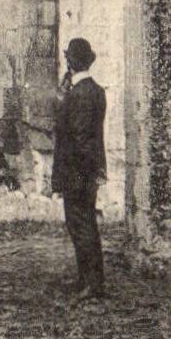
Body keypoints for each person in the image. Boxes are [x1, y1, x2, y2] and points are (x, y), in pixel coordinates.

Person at [51, 37, 107, 302]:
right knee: (86, 226)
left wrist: (82, 173)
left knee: (80, 226)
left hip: (78, 172)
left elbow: (81, 137)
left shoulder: (80, 94)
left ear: (72, 61)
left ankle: (91, 283)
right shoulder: (95, 90)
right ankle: (89, 279)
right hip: (86, 171)